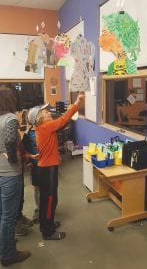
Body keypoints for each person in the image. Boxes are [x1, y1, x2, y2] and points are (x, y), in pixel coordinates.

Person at [28, 94, 84, 240]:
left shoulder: (42, 128)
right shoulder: (45, 127)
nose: (49, 112)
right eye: (46, 112)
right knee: (50, 200)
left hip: (45, 168)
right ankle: (47, 232)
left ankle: (47, 224)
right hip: (48, 170)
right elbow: (64, 119)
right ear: (39, 119)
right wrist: (77, 103)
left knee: (48, 199)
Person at [0, 86, 31, 267]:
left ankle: (5, 244)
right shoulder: (10, 118)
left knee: (2, 214)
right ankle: (8, 254)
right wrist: (12, 158)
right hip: (10, 174)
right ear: (9, 100)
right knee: (9, 216)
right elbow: (11, 140)